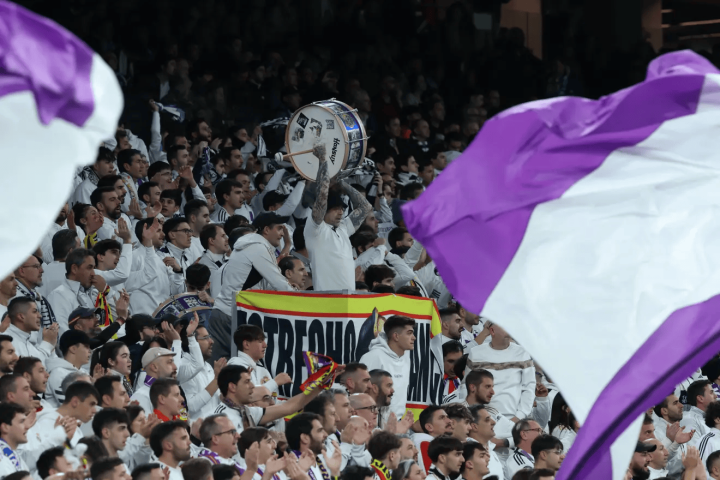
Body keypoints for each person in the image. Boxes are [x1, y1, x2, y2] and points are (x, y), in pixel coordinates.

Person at [305, 144, 373, 292]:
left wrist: (342, 182)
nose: (341, 212)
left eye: (342, 209)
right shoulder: (316, 229)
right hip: (326, 297)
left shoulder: (343, 228)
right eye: (336, 209)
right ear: (325, 210)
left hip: (348, 297)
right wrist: (323, 160)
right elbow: (322, 196)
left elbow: (365, 207)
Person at [215, 365, 324, 434]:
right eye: (247, 382)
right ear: (232, 387)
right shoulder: (220, 418)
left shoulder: (248, 412)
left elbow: (289, 407)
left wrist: (321, 384)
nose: (252, 386)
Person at [466, 322, 535, 422]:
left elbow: (529, 387)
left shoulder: (523, 353)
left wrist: (519, 416)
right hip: (482, 420)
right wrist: (474, 415)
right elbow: (466, 386)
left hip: (514, 420)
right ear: (492, 331)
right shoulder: (475, 353)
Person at [360, 316, 415, 419]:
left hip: (396, 422)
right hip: (375, 422)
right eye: (409, 333)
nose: (414, 338)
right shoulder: (373, 357)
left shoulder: (406, 358)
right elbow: (361, 393)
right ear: (396, 336)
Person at [129, 218, 185, 315]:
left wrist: (178, 272)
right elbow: (125, 289)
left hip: (161, 316)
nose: (163, 234)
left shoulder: (162, 259)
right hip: (141, 317)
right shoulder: (134, 257)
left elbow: (176, 293)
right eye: (158, 231)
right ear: (145, 232)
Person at [46, 248, 102, 335]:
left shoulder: (88, 293)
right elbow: (62, 334)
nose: (93, 274)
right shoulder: (59, 295)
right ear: (74, 269)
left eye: (94, 268)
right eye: (89, 268)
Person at [29, 381, 99, 447]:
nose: (95, 410)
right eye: (91, 404)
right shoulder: (46, 422)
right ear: (75, 402)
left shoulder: (76, 430)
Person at [227, 324, 291, 397]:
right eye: (260, 341)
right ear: (247, 344)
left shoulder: (262, 369)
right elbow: (246, 397)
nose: (265, 345)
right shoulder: (235, 366)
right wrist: (275, 382)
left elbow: (273, 399)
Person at [182, 325, 224, 422]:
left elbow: (216, 399)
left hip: (214, 426)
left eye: (210, 337)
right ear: (192, 342)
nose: (211, 341)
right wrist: (216, 380)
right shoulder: (184, 367)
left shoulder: (208, 366)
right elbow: (190, 407)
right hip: (197, 428)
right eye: (205, 338)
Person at [286, 413, 342, 480]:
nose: (326, 435)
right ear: (305, 438)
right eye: (320, 431)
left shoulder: (320, 463)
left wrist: (335, 472)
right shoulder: (290, 467)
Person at [5, 297, 58, 365]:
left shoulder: (29, 344)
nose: (40, 316)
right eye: (34, 311)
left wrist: (51, 345)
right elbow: (33, 367)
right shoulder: (6, 341)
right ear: (21, 316)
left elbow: (47, 367)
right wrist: (47, 343)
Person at [45, 330, 92, 406]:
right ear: (73, 349)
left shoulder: (84, 372)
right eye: (86, 347)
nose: (90, 351)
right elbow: (71, 406)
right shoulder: (58, 373)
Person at [14, 254, 58, 331]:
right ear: (22, 271)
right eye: (36, 266)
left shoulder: (35, 295)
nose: (42, 270)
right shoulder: (14, 297)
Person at [467, 405, 504, 479]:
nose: (494, 422)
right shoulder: (467, 452)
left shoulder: (491, 450)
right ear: (474, 426)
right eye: (487, 420)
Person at [414, 406, 453, 474]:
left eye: (447, 417)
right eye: (442, 418)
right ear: (429, 427)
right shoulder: (425, 442)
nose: (449, 421)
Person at [0, 403, 29, 476]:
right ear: (5, 427)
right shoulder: (2, 457)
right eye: (21, 422)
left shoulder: (14, 454)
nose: (27, 427)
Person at [682, 380, 713, 446]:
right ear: (700, 398)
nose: (716, 396)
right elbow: (694, 449)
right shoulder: (689, 420)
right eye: (711, 393)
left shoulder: (711, 416)